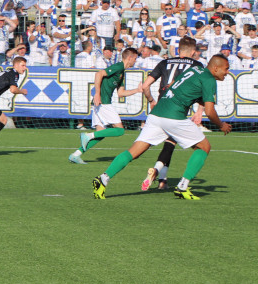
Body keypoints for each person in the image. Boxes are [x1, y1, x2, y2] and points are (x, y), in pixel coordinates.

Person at [93, 55, 232, 200]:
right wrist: (221, 125)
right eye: (226, 69)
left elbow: (172, 84)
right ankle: (182, 186)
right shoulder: (209, 79)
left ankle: (103, 179)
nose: (227, 72)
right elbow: (209, 112)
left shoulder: (196, 69)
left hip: (156, 114)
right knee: (204, 147)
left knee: (133, 152)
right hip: (173, 117)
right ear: (215, 68)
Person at [137, 36, 204, 190]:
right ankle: (156, 171)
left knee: (163, 144)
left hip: (160, 107)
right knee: (171, 143)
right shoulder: (197, 65)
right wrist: (200, 110)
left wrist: (152, 101)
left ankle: (162, 180)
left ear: (178, 50)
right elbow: (202, 89)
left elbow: (145, 86)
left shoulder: (164, 62)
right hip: (177, 109)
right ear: (193, 51)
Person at [68, 48, 143, 164]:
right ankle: (88, 135)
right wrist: (97, 93)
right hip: (103, 102)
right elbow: (99, 74)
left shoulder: (121, 72)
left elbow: (121, 93)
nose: (135, 61)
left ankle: (76, 154)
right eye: (135, 58)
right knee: (120, 131)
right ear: (130, 58)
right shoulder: (118, 66)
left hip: (100, 103)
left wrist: (137, 90)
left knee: (100, 133)